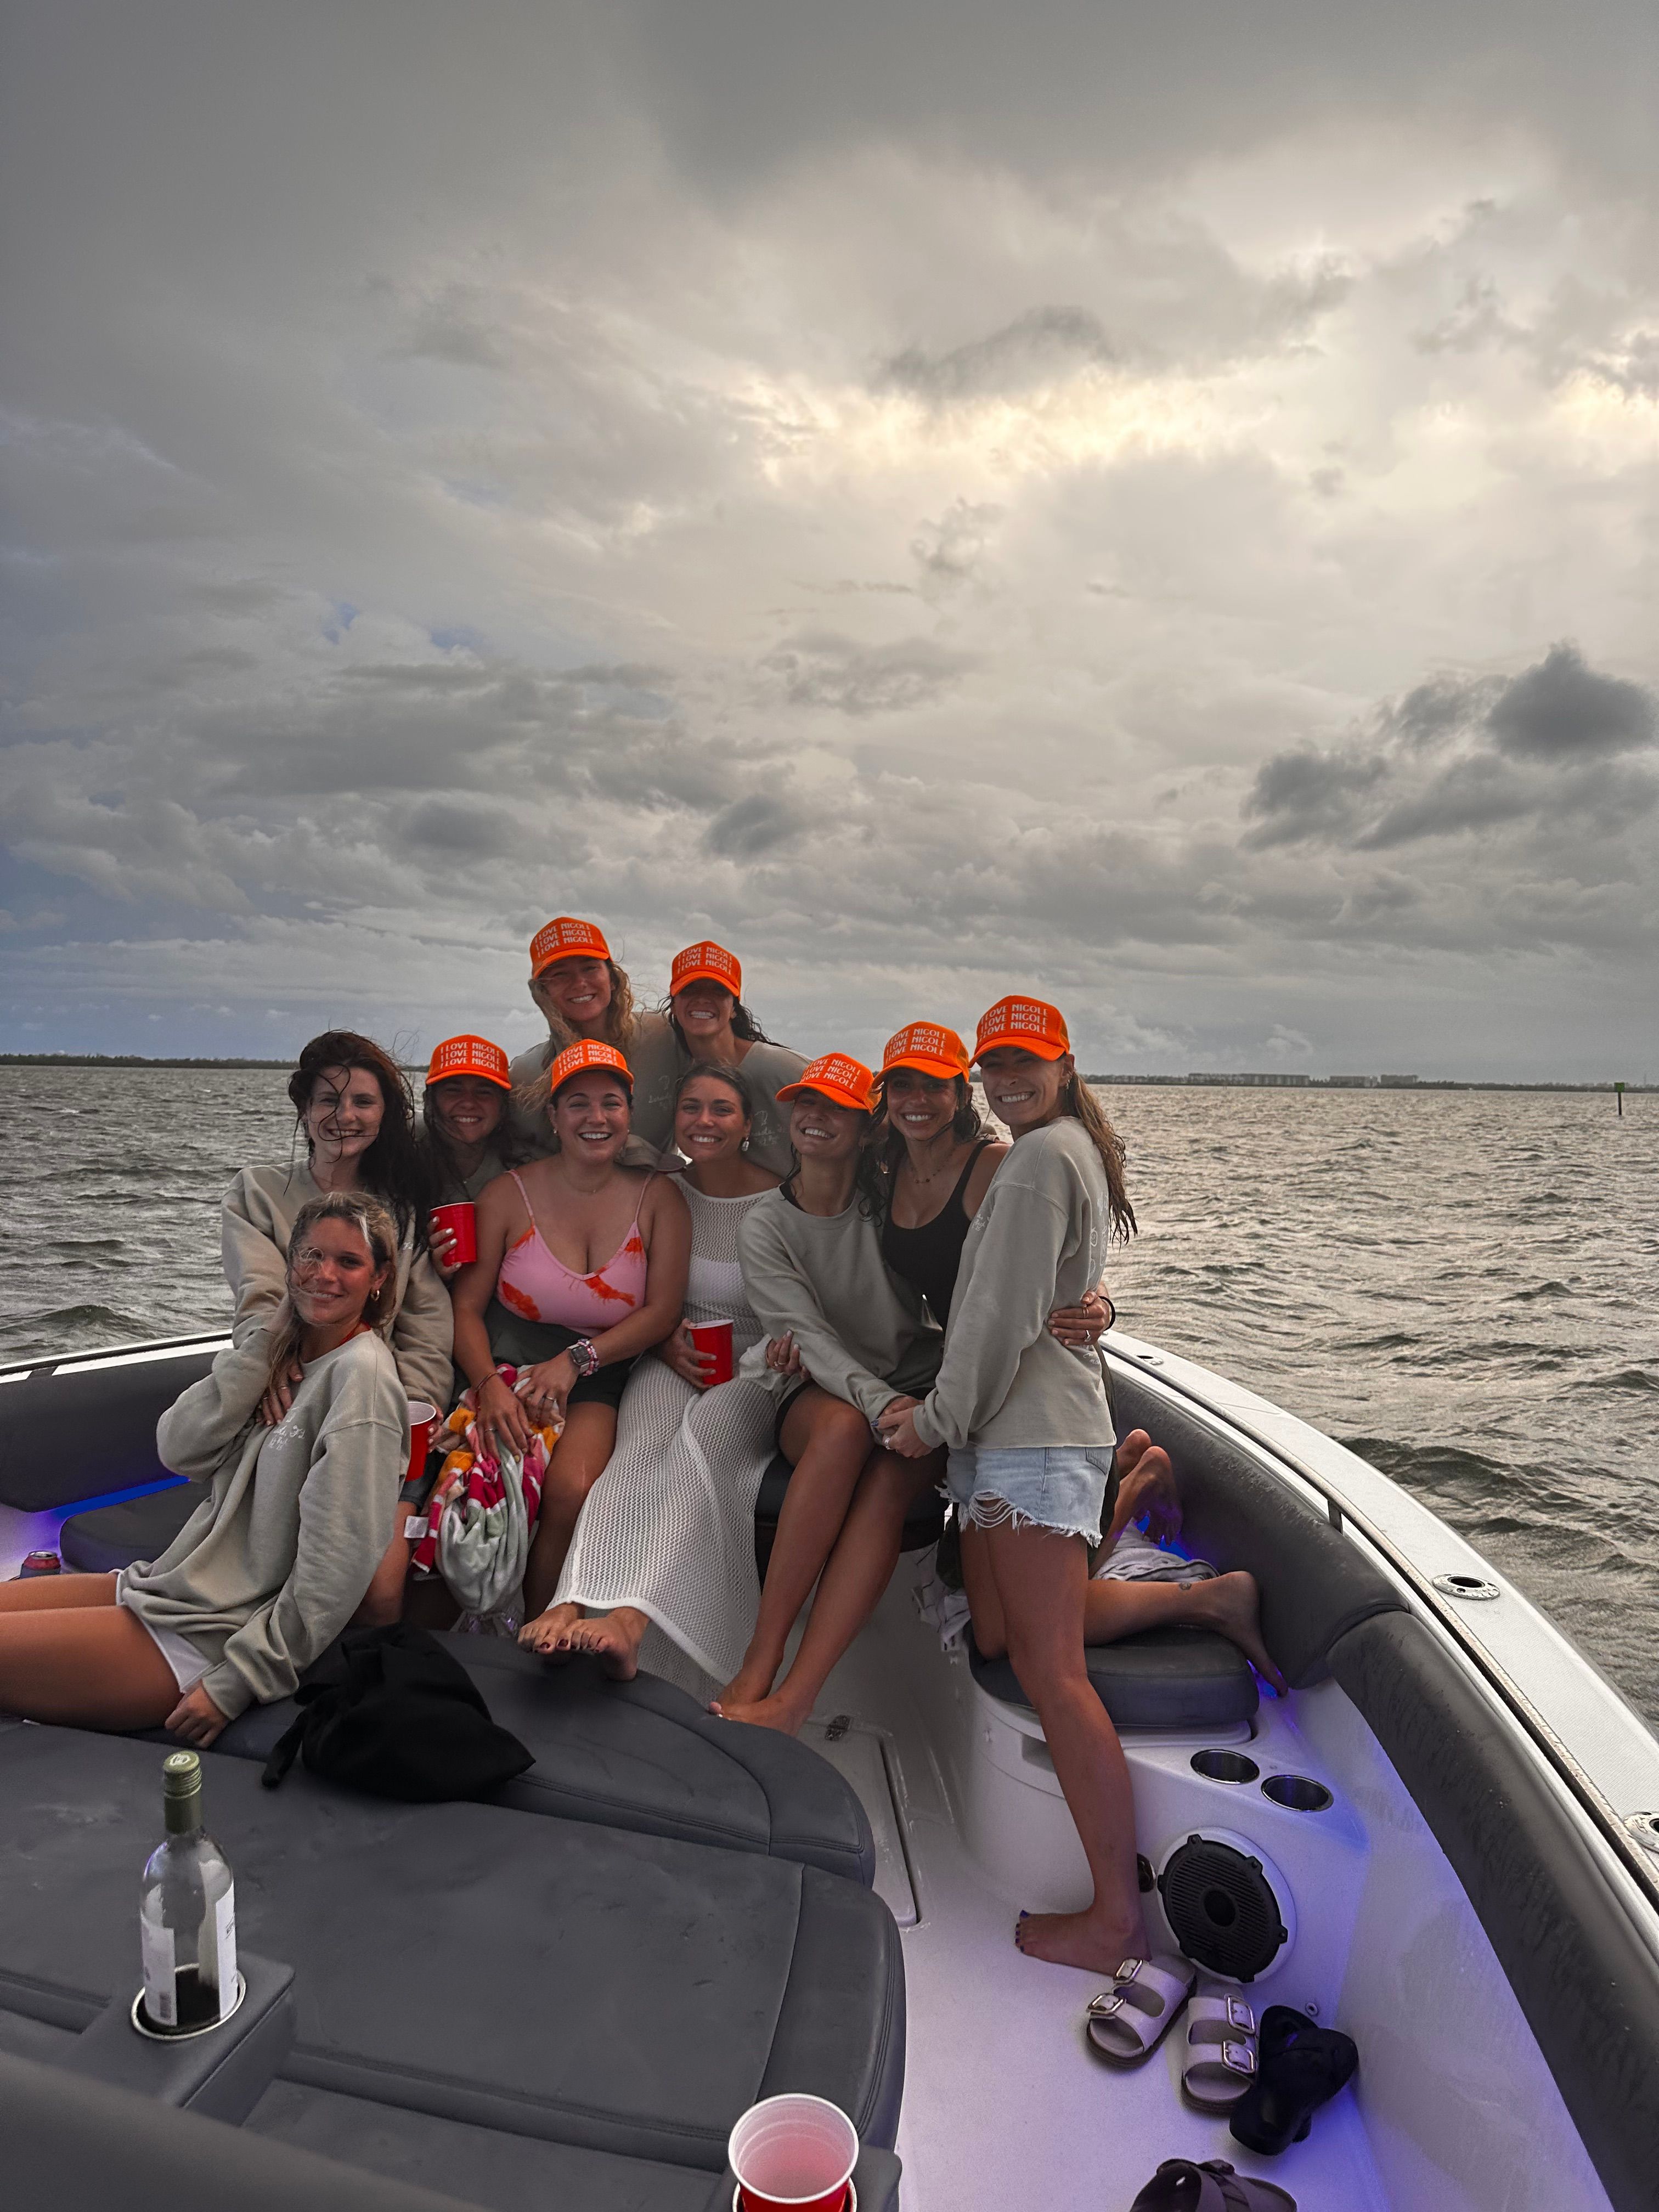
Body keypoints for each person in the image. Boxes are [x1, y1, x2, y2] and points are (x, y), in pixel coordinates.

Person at [713, 1031, 1109, 1733]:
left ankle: (797, 1697)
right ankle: (761, 1656)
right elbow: (806, 1336)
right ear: (887, 1108)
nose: (817, 1117)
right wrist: (886, 1404)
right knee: (841, 1431)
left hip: (928, 1378)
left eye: (836, 1106)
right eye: (805, 1103)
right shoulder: (779, 1219)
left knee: (892, 1485)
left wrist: (1101, 1299)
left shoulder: (906, 1179)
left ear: (867, 1127)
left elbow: (1040, 1245)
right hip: (838, 1385)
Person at [879, 995, 1152, 1974]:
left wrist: (931, 1421)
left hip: (1031, 1437)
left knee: (1051, 1672)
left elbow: (992, 1317)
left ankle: (1115, 1915)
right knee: (995, 1632)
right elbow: (1029, 1300)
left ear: (1064, 1062)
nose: (1003, 1081)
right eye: (991, 1065)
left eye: (1021, 1064)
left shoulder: (1038, 1157)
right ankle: (1198, 1584)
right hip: (1014, 1436)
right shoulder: (1061, 1143)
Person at [0, 1193, 409, 1743]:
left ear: (379, 1278)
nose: (324, 1275)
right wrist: (266, 1346)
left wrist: (241, 1679)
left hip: (211, 1637)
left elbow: (337, 1565)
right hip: (167, 1590)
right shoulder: (286, 1359)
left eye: (348, 1262)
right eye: (310, 1256)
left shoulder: (362, 1380)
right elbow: (180, 1448)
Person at [520, 1060, 781, 1679]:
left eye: (722, 1110)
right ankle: (571, 1599)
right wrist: (666, 1345)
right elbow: (645, 1297)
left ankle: (631, 1621)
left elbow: (800, 1305)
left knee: (702, 1443)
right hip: (672, 1349)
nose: (704, 1121)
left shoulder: (779, 1201)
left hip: (759, 1368)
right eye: (691, 1108)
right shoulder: (660, 1191)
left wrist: (776, 1352)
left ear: (747, 1124)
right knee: (635, 1449)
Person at [449, 1040, 690, 1615]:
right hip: (505, 1363)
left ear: (629, 1116)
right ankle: (468, 1618)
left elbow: (662, 1311)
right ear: (553, 1118)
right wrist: (489, 1387)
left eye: (611, 1103)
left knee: (572, 1490)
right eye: (578, 1104)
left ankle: (539, 1628)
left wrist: (578, 1361)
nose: (596, 1118)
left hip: (599, 1371)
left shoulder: (660, 1199)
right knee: (476, 1488)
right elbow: (464, 1310)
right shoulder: (508, 1194)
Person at [223, 1030, 453, 1625]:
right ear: (303, 1108)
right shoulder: (259, 1193)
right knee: (264, 1571)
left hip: (377, 1418)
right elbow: (261, 1296)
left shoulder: (401, 1210)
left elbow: (426, 1324)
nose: (344, 1117)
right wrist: (268, 1363)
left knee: (379, 1592)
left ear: (385, 1115)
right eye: (328, 1101)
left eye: (363, 1103)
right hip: (287, 1395)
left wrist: (417, 1417)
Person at [505, 916, 679, 1166]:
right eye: (560, 976)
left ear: (613, 977)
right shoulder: (525, 1076)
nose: (579, 984)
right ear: (541, 993)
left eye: (590, 968)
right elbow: (516, 1158)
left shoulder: (666, 1036)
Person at [652, 940, 806, 1177]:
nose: (703, 999)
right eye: (690, 990)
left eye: (718, 991)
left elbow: (856, 1105)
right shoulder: (678, 1070)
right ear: (674, 1005)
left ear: (734, 1008)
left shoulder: (778, 1067)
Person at [417, 1034, 522, 1274]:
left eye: (484, 1093)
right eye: (453, 1091)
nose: (468, 1103)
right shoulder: (400, 1152)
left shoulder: (528, 1167)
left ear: (504, 1106)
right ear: (429, 1101)